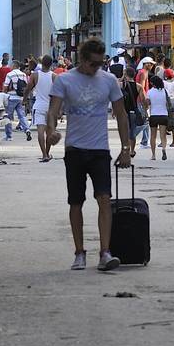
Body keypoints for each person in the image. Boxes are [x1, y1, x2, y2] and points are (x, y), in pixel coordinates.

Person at [46, 36, 132, 272]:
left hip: (99, 150)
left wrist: (126, 148)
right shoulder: (64, 80)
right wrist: (52, 131)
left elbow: (121, 115)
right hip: (74, 149)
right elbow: (53, 111)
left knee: (104, 199)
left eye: (101, 63)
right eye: (93, 63)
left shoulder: (109, 81)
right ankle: (79, 252)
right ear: (82, 60)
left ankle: (105, 252)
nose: (97, 68)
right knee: (76, 202)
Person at [25, 54, 58, 163]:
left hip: (38, 106)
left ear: (42, 63)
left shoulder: (35, 75)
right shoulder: (54, 76)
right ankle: (47, 153)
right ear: (51, 64)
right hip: (51, 108)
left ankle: (44, 154)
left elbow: (28, 88)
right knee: (49, 132)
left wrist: (24, 99)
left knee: (40, 131)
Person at [2, 60, 32, 142]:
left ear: (13, 66)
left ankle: (9, 136)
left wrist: (3, 95)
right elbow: (26, 86)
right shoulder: (23, 74)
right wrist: (25, 98)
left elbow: (5, 86)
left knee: (8, 117)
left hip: (11, 98)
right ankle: (27, 130)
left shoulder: (10, 74)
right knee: (21, 116)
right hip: (20, 98)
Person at [146, 72, 172, 162]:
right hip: (163, 115)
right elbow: (169, 103)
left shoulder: (149, 92)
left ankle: (153, 155)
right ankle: (164, 149)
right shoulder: (165, 91)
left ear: (153, 83)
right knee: (163, 135)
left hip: (153, 115)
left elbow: (148, 104)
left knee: (153, 136)